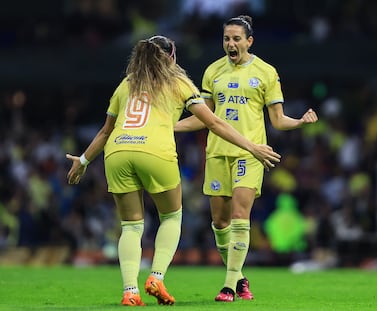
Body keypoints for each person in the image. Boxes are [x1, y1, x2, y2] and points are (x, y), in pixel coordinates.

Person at [66, 35, 281, 306]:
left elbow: (106, 130)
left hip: (118, 152)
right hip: (155, 152)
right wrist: (251, 146)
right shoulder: (177, 82)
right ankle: (156, 276)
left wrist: (83, 161)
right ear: (171, 58)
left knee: (131, 226)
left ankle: (130, 291)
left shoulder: (127, 83)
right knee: (171, 217)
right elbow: (214, 122)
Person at [174, 15, 318, 302]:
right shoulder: (212, 71)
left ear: (249, 41)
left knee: (240, 217)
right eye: (227, 38)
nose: (231, 43)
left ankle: (228, 286)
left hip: (250, 153)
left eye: (236, 38)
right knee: (219, 222)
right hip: (217, 153)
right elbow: (203, 119)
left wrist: (300, 122)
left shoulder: (266, 72)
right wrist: (168, 125)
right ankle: (240, 278)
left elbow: (277, 120)